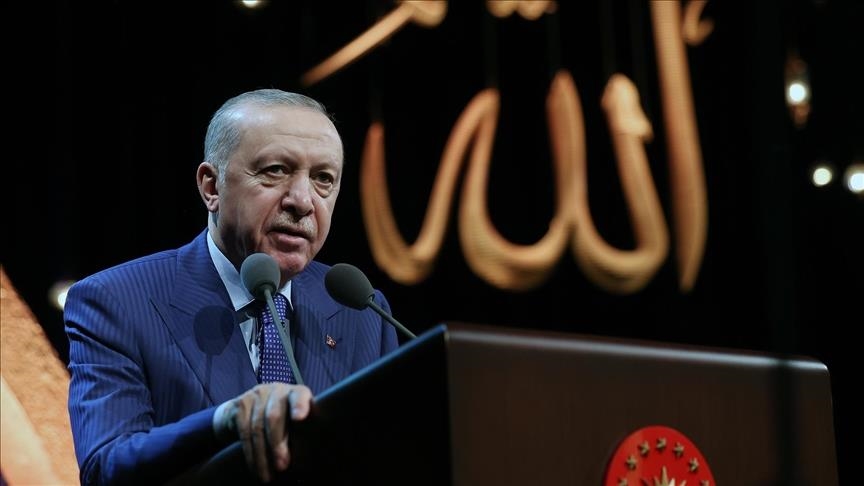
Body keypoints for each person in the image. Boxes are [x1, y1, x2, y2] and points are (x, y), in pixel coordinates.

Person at [64, 89, 400, 485]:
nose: (302, 201)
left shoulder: (362, 312)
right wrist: (225, 420)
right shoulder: (117, 300)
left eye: (323, 179)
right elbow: (106, 467)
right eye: (275, 170)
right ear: (211, 187)